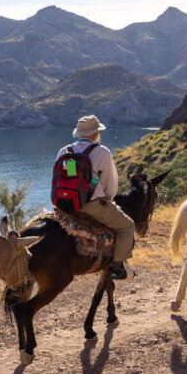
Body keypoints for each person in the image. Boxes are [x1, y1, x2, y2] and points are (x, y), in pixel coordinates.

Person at [57, 115, 136, 280]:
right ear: (95, 134)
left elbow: (64, 178)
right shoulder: (102, 152)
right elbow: (111, 185)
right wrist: (107, 199)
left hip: (65, 204)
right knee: (128, 226)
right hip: (91, 206)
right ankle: (117, 267)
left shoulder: (65, 151)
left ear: (79, 134)